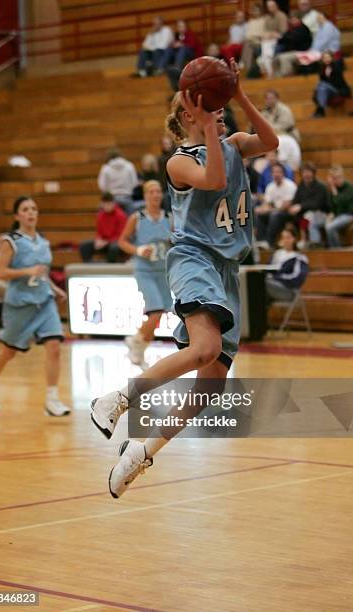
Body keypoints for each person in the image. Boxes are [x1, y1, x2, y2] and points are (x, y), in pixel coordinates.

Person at [90, 59, 278, 498]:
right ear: (189, 115)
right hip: (195, 258)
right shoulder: (179, 162)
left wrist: (240, 95)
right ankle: (118, 398)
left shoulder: (232, 143)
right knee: (205, 348)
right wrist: (212, 125)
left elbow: (270, 141)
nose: (219, 110)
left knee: (210, 386)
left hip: (226, 268)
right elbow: (212, 179)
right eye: (209, 105)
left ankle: (141, 451)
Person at [0, 196, 70, 416]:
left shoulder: (43, 240)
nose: (31, 212)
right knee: (9, 351)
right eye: (25, 209)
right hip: (20, 305)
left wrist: (54, 288)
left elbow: (42, 271)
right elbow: (1, 273)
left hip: (44, 301)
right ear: (17, 215)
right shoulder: (10, 240)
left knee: (54, 347)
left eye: (34, 209)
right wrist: (26, 272)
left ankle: (52, 399)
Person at [118, 180, 172, 369]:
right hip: (145, 271)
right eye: (151, 191)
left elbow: (176, 244)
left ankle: (139, 350)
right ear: (145, 195)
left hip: (163, 271)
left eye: (158, 191)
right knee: (155, 310)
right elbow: (122, 242)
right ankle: (135, 341)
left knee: (159, 315)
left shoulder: (169, 218)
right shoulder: (137, 218)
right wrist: (139, 250)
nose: (155, 195)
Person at [255, 162, 297, 246]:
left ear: (283, 173)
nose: (276, 174)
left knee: (274, 215)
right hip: (274, 211)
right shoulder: (270, 187)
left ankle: (269, 242)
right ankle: (260, 241)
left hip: (288, 213)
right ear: (271, 174)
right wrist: (262, 209)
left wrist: (270, 209)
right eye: (274, 172)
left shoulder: (290, 185)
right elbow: (268, 203)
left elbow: (287, 205)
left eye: (278, 172)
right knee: (259, 213)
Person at [289, 161, 330, 246]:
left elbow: (317, 204)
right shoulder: (301, 186)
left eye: (308, 172)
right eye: (304, 172)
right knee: (289, 215)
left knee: (308, 216)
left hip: (322, 213)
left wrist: (301, 206)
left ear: (313, 173)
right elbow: (295, 201)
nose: (306, 175)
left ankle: (313, 243)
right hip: (305, 213)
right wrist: (293, 207)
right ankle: (295, 242)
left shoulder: (321, 186)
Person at [79, 193, 127, 263]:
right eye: (105, 204)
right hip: (104, 242)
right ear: (101, 204)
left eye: (109, 204)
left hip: (115, 242)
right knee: (84, 245)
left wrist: (107, 242)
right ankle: (88, 265)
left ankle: (110, 266)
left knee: (114, 247)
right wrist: (98, 240)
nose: (107, 207)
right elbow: (99, 232)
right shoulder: (100, 215)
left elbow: (121, 235)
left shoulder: (121, 215)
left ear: (114, 203)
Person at [266, 227, 309, 302]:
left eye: (288, 237)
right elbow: (267, 271)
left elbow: (297, 279)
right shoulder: (276, 254)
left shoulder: (300, 258)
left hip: (288, 290)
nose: (286, 240)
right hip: (271, 285)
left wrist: (276, 277)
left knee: (260, 284)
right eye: (283, 238)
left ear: (294, 239)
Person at [325, 165, 353, 247]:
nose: (336, 180)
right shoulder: (333, 188)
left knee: (330, 227)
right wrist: (331, 213)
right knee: (319, 224)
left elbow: (341, 203)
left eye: (338, 177)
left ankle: (337, 251)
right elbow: (331, 205)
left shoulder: (349, 187)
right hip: (337, 215)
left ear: (342, 176)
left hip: (349, 214)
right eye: (334, 178)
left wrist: (334, 190)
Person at [97, 148, 138, 213]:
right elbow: (134, 183)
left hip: (111, 200)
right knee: (131, 220)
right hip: (127, 198)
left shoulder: (105, 168)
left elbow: (102, 186)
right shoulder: (129, 166)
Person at [313, 51, 351, 118]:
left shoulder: (336, 67)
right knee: (322, 87)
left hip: (337, 89)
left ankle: (320, 109)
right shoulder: (322, 69)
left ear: (332, 58)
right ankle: (321, 109)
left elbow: (338, 82)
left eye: (328, 57)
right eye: (324, 58)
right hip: (326, 90)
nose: (327, 59)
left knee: (321, 84)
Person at [257, 0, 288, 78]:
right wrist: (268, 35)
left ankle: (270, 72)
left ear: (276, 6)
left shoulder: (282, 16)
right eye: (269, 7)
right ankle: (269, 72)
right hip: (269, 40)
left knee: (266, 53)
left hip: (280, 40)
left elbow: (283, 32)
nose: (270, 8)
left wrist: (271, 34)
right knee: (263, 50)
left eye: (272, 6)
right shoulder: (267, 18)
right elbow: (264, 32)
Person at [241, 3, 266, 77]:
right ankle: (248, 70)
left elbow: (262, 34)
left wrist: (253, 37)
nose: (255, 12)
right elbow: (247, 35)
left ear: (260, 11)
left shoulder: (264, 20)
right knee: (247, 45)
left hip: (259, 43)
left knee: (247, 46)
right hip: (250, 42)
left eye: (256, 10)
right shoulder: (250, 22)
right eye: (253, 10)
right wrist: (250, 38)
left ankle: (246, 68)